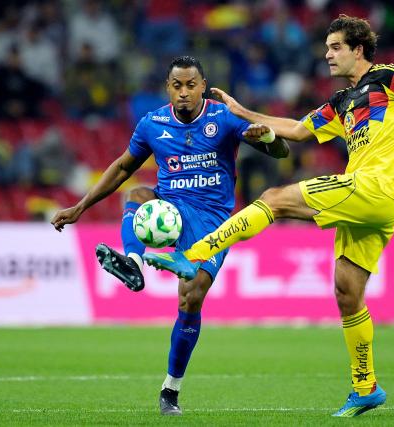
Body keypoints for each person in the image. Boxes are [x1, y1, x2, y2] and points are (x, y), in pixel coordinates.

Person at [144, 15, 394, 418]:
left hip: (374, 187)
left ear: (358, 49)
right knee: (347, 291)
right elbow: (295, 129)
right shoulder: (343, 101)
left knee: (274, 198)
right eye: (326, 47)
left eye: (335, 47)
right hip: (372, 209)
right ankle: (366, 387)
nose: (327, 54)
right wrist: (241, 110)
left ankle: (194, 254)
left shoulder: (389, 77)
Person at [50, 56, 289, 415]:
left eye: (191, 85)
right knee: (136, 194)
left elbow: (281, 150)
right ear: (168, 88)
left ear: (203, 86)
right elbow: (120, 168)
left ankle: (170, 389)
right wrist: (80, 207)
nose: (184, 92)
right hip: (169, 208)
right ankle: (131, 262)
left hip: (211, 221)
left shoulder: (223, 117)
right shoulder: (153, 123)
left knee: (190, 299)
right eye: (177, 85)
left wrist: (266, 135)